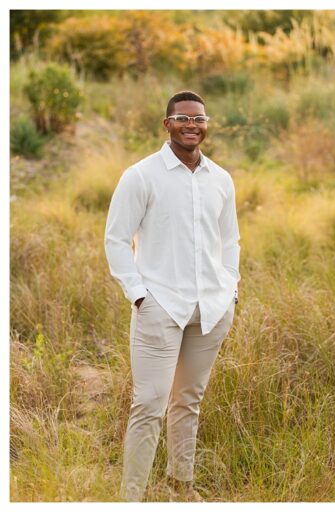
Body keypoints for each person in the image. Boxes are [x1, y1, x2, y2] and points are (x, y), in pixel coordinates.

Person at [105, 91, 240, 501]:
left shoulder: (221, 179)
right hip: (160, 306)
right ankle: (133, 498)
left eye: (199, 119)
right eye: (182, 118)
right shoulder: (141, 175)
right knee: (148, 405)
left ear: (205, 125)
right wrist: (139, 295)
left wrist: (231, 287)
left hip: (211, 309)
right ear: (167, 125)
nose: (192, 125)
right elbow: (115, 239)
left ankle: (182, 487)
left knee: (188, 401)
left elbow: (230, 240)